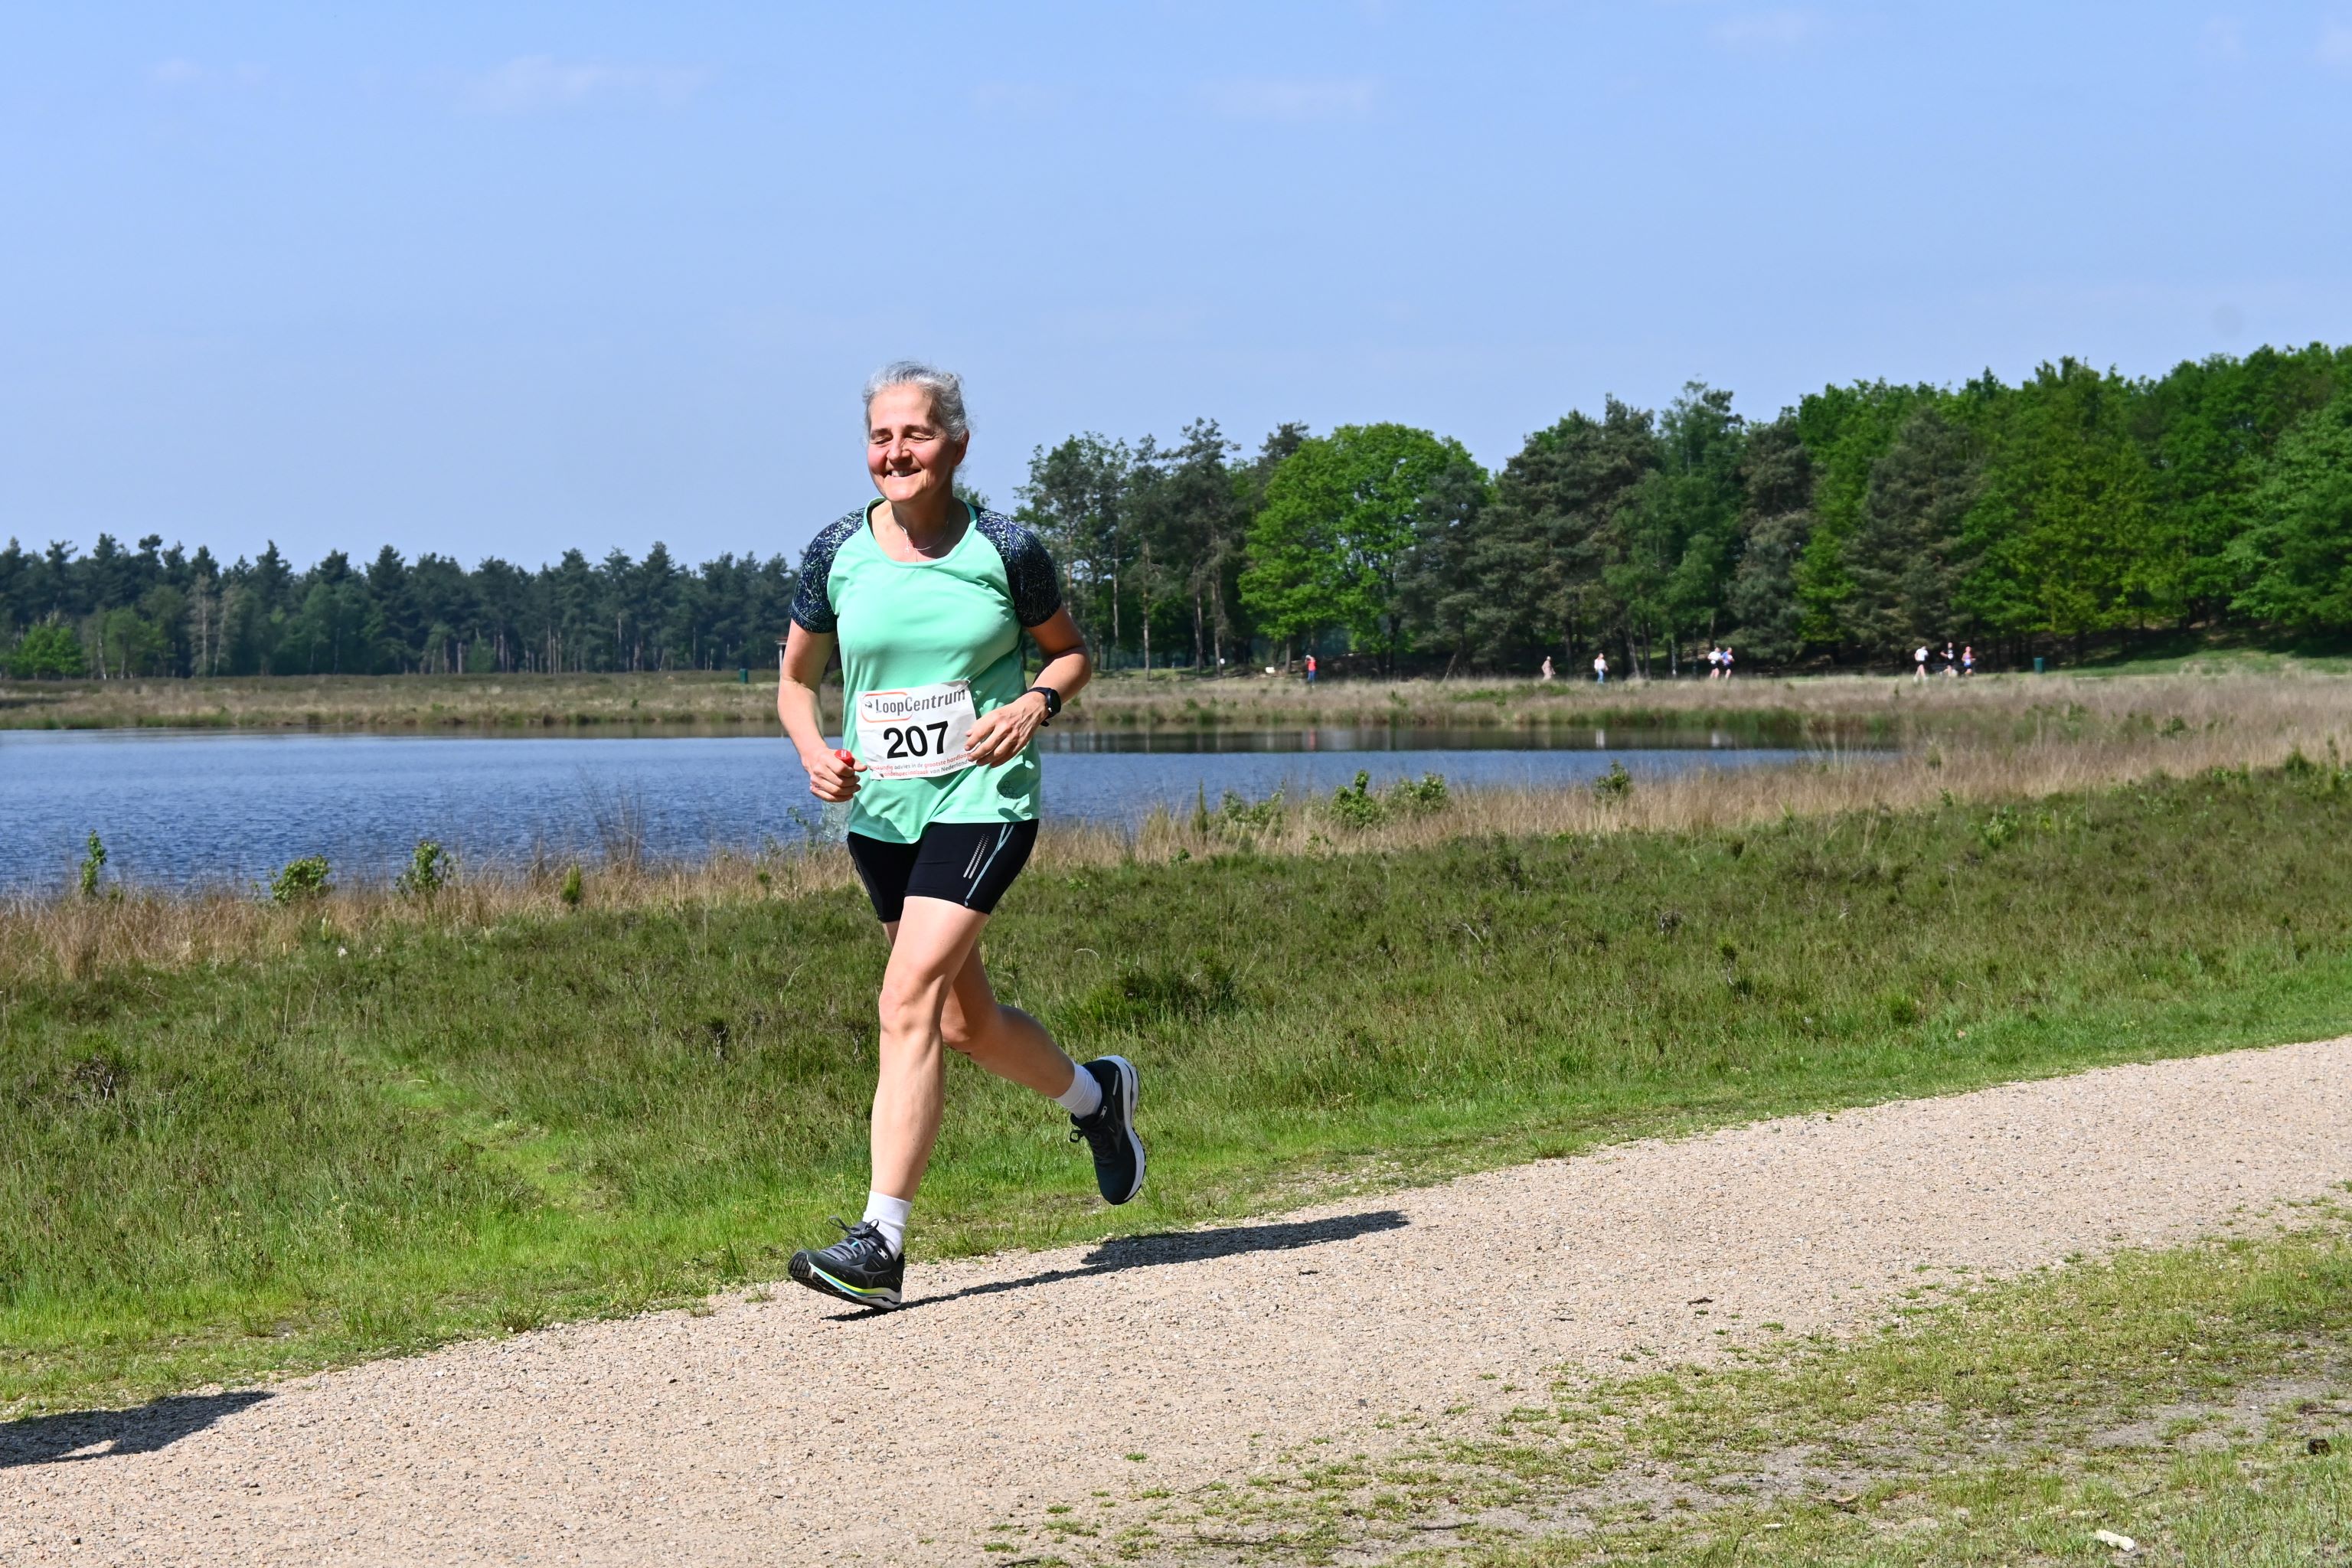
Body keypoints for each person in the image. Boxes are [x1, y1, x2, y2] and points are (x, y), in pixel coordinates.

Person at [775, 361, 1144, 1311]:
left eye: (917, 433)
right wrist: (815, 752)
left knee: (905, 996)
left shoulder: (1006, 548)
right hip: (882, 812)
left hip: (985, 797)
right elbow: (795, 681)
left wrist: (1034, 702)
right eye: (881, 436)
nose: (896, 451)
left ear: (958, 444)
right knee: (958, 1022)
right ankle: (1096, 1099)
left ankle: (881, 1241)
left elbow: (1071, 653)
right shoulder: (835, 551)